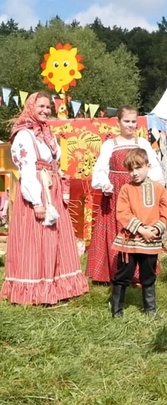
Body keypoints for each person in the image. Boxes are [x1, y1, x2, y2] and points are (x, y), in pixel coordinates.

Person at [1, 92, 89, 305]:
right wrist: (37, 201)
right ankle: (34, 289)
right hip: (38, 190)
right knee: (36, 238)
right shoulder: (24, 135)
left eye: (48, 107)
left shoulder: (46, 133)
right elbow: (27, 170)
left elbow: (54, 159)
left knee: (54, 238)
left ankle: (57, 285)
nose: (45, 110)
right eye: (40, 106)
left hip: (52, 188)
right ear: (31, 107)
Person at [87, 105, 162, 283]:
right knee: (116, 227)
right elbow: (100, 170)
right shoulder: (110, 144)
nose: (130, 125)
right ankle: (110, 272)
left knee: (137, 227)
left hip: (138, 192)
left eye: (133, 121)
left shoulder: (142, 143)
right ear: (118, 122)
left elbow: (154, 167)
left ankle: (138, 272)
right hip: (116, 192)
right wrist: (105, 184)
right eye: (126, 121)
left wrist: (152, 185)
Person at [110, 148, 167, 317]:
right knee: (124, 274)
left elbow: (165, 213)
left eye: (138, 167)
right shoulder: (126, 189)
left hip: (151, 241)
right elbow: (123, 213)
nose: (134, 173)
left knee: (148, 275)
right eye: (130, 169)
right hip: (130, 240)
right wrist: (142, 230)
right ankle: (117, 310)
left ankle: (150, 310)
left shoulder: (159, 189)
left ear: (148, 166)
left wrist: (156, 229)